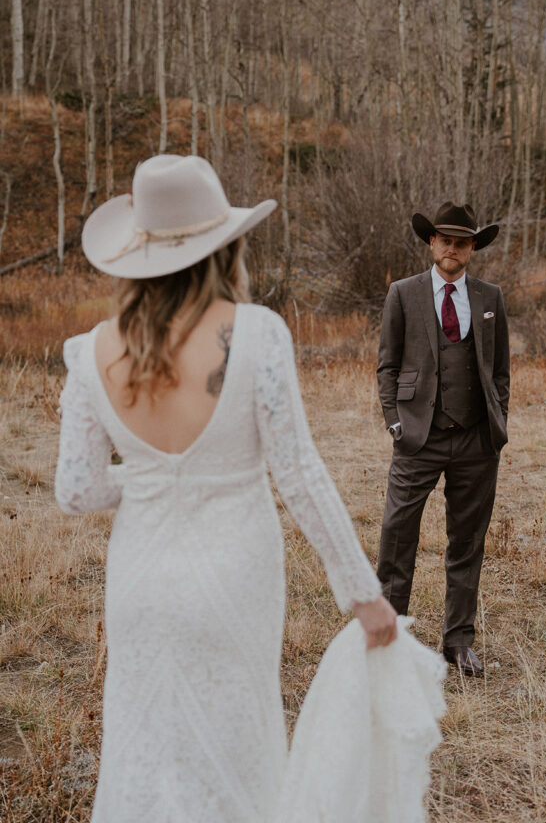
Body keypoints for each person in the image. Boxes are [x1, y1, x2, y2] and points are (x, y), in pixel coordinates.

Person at [55, 154, 397, 823]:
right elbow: (298, 474)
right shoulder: (259, 337)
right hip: (234, 578)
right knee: (238, 751)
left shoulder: (89, 351)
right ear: (226, 247)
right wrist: (364, 595)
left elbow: (76, 491)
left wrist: (148, 478)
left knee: (144, 751)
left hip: (139, 584)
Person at [376, 201, 510, 677]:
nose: (452, 249)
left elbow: (500, 371)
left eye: (462, 242)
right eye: (444, 240)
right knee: (397, 534)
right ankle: (389, 636)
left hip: (477, 441)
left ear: (473, 247)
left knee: (467, 541)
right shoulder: (403, 293)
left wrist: (497, 421)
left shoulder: (490, 296)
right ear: (431, 242)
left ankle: (458, 642)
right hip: (418, 436)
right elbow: (387, 366)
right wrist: (395, 420)